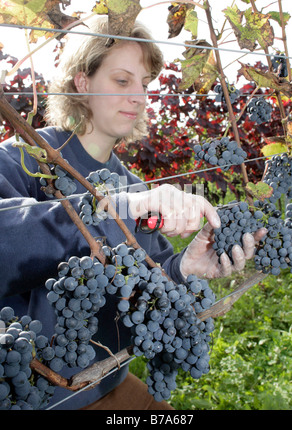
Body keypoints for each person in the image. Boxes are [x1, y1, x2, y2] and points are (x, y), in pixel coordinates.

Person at [0, 15, 265, 410]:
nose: (139, 97)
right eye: (122, 81)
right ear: (83, 82)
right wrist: (119, 207)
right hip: (40, 399)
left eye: (144, 84)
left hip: (112, 383)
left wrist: (185, 267)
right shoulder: (22, 160)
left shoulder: (136, 186)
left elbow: (151, 276)